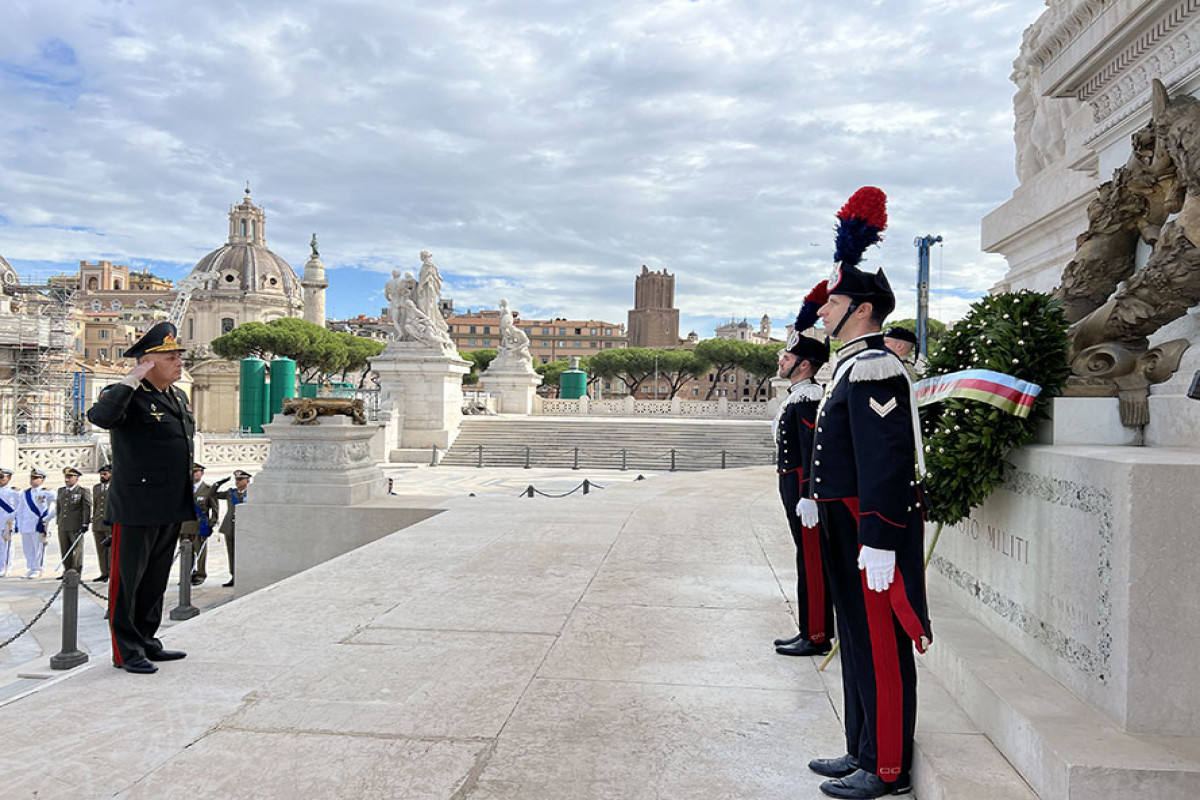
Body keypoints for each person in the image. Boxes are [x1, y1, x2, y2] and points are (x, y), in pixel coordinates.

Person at [807, 190, 932, 799]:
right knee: (855, 637)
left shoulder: (877, 366)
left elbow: (885, 463)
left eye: (833, 301)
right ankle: (861, 747)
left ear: (861, 308)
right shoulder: (848, 366)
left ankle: (887, 767)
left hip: (867, 526)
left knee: (881, 644)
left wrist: (880, 537)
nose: (823, 311)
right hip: (841, 523)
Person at [86, 321, 194, 674]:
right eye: (170, 356)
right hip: (135, 506)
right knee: (127, 584)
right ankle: (125, 651)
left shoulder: (176, 396)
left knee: (155, 580)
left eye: (179, 355)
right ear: (147, 362)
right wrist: (131, 379)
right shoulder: (126, 394)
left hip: (169, 503)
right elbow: (101, 418)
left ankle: (147, 640)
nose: (179, 361)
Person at [773, 284, 834, 657]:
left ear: (804, 365)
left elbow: (814, 454)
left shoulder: (808, 399)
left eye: (787, 356)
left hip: (801, 491)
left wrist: (810, 495)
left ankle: (816, 635)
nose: (781, 361)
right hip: (792, 488)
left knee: (811, 560)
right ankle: (807, 628)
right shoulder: (797, 397)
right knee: (803, 557)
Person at [179, 463, 219, 586]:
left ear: (202, 473)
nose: (195, 474)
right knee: (186, 552)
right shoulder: (184, 489)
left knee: (200, 553)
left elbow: (215, 510)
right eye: (193, 471)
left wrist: (210, 524)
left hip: (200, 526)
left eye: (197, 472)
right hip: (185, 526)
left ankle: (200, 575)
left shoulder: (208, 490)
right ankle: (186, 575)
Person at [212, 470, 250, 588]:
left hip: (245, 527)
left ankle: (244, 575)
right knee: (231, 553)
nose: (238, 482)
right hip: (230, 527)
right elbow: (212, 495)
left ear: (247, 480)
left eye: (240, 479)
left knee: (245, 552)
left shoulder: (252, 493)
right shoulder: (230, 493)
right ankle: (233, 575)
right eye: (236, 480)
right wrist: (218, 484)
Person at [16, 469, 56, 579]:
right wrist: (19, 524)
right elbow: (21, 509)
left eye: (36, 478)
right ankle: (31, 568)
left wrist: (48, 517)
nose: (32, 480)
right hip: (26, 524)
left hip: (39, 523)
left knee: (38, 547)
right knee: (28, 548)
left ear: (42, 480)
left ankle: (38, 569)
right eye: (31, 478)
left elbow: (60, 505)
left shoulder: (47, 492)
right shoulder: (25, 493)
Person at [55, 467, 92, 578]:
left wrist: (85, 523)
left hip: (76, 526)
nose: (67, 480)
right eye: (66, 477)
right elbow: (59, 508)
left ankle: (76, 572)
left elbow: (87, 508)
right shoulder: (61, 491)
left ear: (77, 478)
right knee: (65, 549)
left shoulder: (82, 491)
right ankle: (67, 571)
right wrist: (58, 521)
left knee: (77, 551)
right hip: (63, 525)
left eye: (70, 477)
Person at [91, 464, 113, 582]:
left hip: (110, 524)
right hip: (98, 523)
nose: (103, 476)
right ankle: (103, 572)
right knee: (101, 550)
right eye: (101, 474)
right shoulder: (96, 488)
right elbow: (95, 505)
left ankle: (110, 573)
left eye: (105, 474)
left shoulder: (115, 488)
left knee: (111, 551)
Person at [0, 467, 17, 577]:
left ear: (9, 478)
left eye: (2, 477)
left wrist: (12, 518)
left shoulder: (13, 491)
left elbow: (20, 506)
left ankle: (5, 568)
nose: (0, 479)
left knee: (6, 546)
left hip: (7, 522)